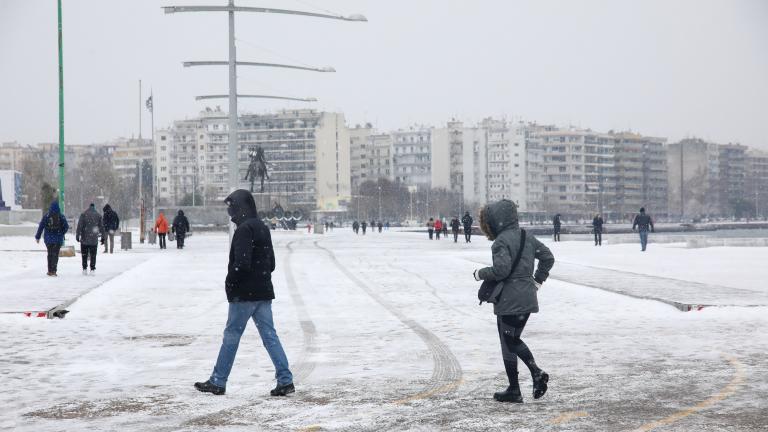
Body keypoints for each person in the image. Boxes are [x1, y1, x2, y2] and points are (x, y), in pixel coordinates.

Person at [195, 189, 294, 397]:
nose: (230, 212)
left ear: (240, 207)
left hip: (244, 295)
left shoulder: (243, 230)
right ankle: (285, 380)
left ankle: (218, 380)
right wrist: (260, 277)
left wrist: (230, 284)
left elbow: (241, 264)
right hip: (263, 293)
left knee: (231, 336)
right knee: (270, 337)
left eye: (231, 207)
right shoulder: (262, 228)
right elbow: (272, 263)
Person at [473, 199, 555, 403]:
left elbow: (502, 270)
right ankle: (514, 389)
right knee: (508, 340)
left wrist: (479, 273)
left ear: (496, 220)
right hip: (526, 297)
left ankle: (535, 373)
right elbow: (548, 257)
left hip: (510, 299)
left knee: (509, 340)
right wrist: (537, 281)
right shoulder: (527, 236)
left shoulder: (500, 241)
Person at [34, 201, 69, 276]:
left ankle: (49, 270)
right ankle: (54, 271)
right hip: (58, 239)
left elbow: (41, 227)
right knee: (55, 255)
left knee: (49, 254)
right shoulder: (61, 216)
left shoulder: (46, 216)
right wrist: (61, 233)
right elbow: (66, 227)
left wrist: (38, 237)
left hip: (48, 239)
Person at [76, 203, 105, 276]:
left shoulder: (84, 214)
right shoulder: (98, 215)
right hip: (94, 239)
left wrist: (78, 235)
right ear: (94, 207)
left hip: (84, 238)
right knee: (93, 255)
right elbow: (101, 227)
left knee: (84, 254)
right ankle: (92, 269)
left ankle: (84, 268)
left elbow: (80, 225)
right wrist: (103, 237)